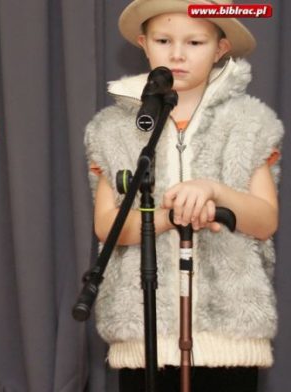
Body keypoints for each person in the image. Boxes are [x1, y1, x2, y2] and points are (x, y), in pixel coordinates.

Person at [84, 1, 284, 391]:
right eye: (163, 40)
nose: (177, 54)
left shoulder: (249, 122)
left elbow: (265, 220)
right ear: (144, 44)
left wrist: (214, 191)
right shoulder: (111, 128)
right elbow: (107, 226)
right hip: (143, 330)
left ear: (220, 48)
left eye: (194, 41)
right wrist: (167, 215)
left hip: (228, 333)